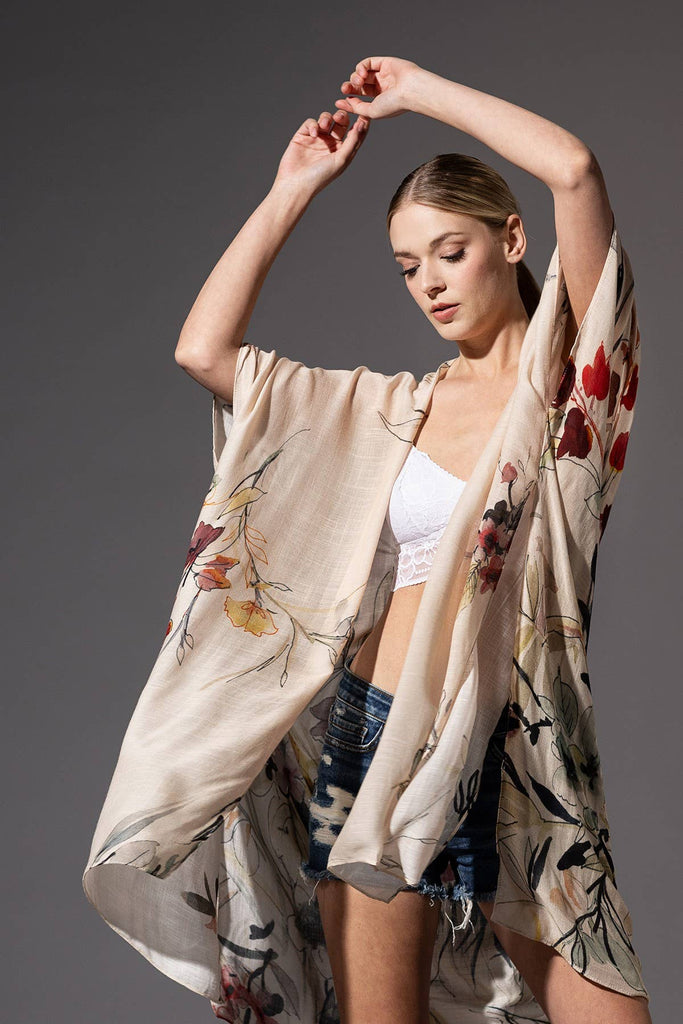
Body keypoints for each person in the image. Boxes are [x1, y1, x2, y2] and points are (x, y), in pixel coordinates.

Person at [169, 56, 648, 1024]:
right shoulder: (388, 411)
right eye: (406, 266)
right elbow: (204, 351)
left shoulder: (569, 394)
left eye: (449, 251)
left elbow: (572, 169)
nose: (428, 283)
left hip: (522, 749)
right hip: (375, 741)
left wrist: (415, 92)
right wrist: (293, 186)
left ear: (510, 239)